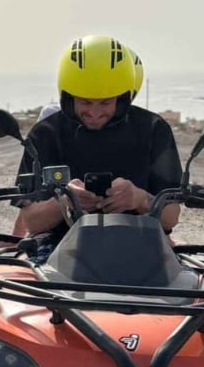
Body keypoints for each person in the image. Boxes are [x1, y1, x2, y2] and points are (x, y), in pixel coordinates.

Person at [11, 35, 181, 240]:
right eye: (85, 102)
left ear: (121, 98)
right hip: (56, 255)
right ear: (68, 96)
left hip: (143, 249)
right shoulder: (46, 134)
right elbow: (31, 222)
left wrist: (139, 199)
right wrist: (64, 202)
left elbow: (171, 217)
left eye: (105, 103)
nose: (95, 113)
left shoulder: (154, 130)